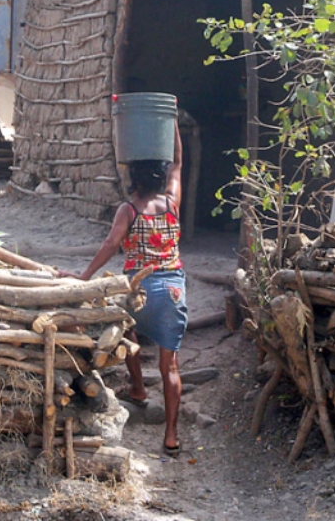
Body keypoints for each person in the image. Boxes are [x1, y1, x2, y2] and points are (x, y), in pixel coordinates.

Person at [75, 118, 186, 456]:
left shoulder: (129, 210)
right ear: (160, 178)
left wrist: (84, 278)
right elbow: (178, 164)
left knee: (128, 334)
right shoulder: (171, 204)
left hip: (137, 290)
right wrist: (173, 124)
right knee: (170, 367)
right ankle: (170, 436)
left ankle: (138, 388)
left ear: (132, 179)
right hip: (173, 290)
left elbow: (110, 244)